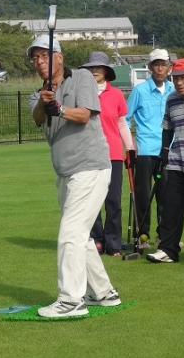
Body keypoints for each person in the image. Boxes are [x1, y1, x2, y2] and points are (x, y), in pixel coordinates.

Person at [27, 35, 121, 318]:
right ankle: (104, 293)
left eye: (45, 55)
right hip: (65, 172)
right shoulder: (37, 94)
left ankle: (71, 301)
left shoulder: (81, 77)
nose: (40, 61)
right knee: (80, 236)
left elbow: (85, 115)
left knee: (70, 233)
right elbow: (38, 118)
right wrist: (46, 103)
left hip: (90, 166)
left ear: (60, 57)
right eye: (35, 58)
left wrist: (61, 108)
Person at [79, 51, 135, 257]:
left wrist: (130, 148)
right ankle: (96, 240)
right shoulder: (82, 92)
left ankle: (113, 242)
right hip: (89, 153)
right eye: (91, 67)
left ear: (106, 71)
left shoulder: (117, 94)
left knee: (113, 200)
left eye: (98, 67)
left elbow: (122, 123)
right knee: (92, 200)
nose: (94, 70)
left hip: (113, 153)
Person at [126, 48, 174, 247]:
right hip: (145, 150)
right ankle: (142, 235)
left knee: (166, 197)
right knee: (143, 196)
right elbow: (125, 118)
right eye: (157, 64)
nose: (160, 68)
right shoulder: (140, 90)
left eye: (164, 64)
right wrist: (132, 143)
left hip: (169, 151)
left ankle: (164, 236)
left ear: (169, 67)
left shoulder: (175, 90)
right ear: (150, 67)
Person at [146, 59, 184, 263]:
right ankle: (168, 250)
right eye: (176, 78)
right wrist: (164, 149)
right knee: (171, 209)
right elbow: (168, 128)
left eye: (183, 78)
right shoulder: (172, 99)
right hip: (178, 163)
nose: (179, 82)